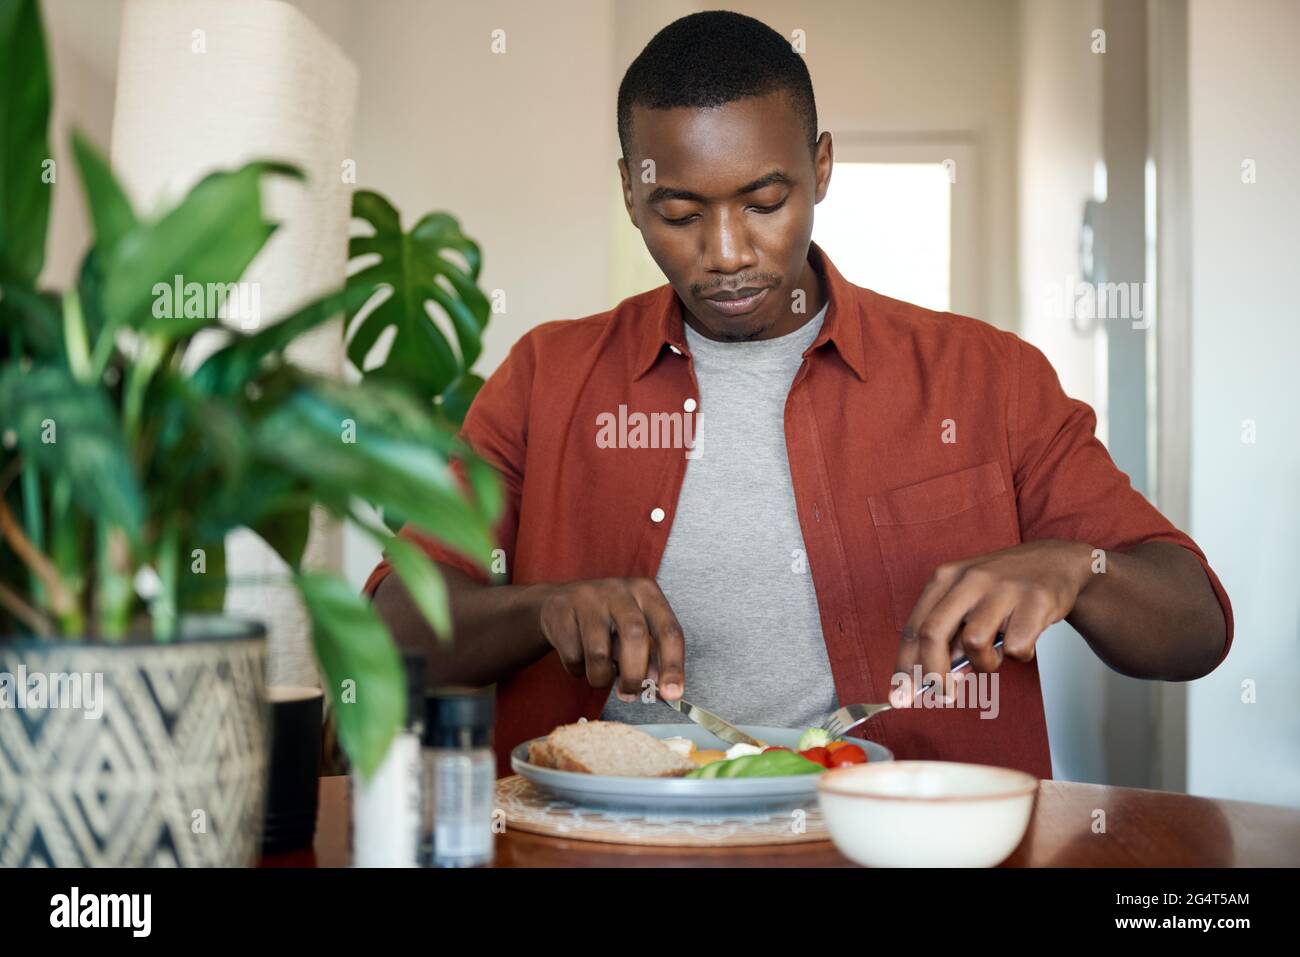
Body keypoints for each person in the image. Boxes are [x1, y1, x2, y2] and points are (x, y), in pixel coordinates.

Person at [364, 10, 1231, 779]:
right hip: (611, 848)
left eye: (765, 200)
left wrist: (1078, 566)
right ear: (631, 189)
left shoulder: (987, 377)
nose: (729, 250)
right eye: (678, 212)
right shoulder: (545, 378)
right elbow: (395, 629)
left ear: (819, 168)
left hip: (904, 847)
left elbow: (1194, 624)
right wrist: (544, 606)